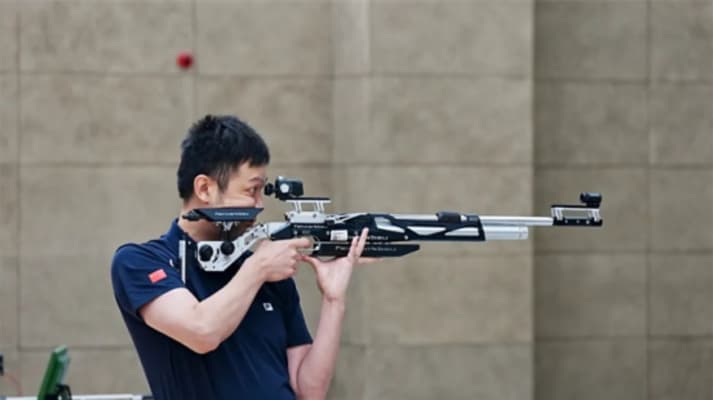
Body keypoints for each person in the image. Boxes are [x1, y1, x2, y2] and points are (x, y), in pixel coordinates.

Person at [110, 114, 370, 400]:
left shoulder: (268, 274)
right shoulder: (142, 261)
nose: (259, 204)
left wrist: (333, 299)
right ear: (205, 189)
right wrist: (258, 268)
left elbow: (309, 390)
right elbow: (201, 332)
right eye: (251, 190)